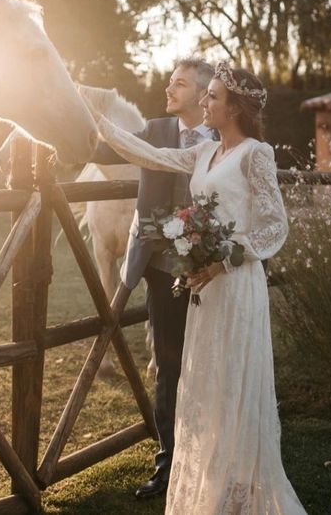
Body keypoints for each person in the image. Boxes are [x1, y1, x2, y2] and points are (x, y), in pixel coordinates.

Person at [90, 62, 307, 514]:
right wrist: (95, 121)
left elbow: (274, 228)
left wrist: (224, 258)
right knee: (203, 382)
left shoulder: (256, 154)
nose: (204, 103)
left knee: (234, 378)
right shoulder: (203, 154)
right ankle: (214, 483)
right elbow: (150, 156)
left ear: (234, 108)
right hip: (203, 291)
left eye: (212, 97)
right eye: (204, 94)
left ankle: (243, 487)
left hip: (236, 287)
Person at [91, 58, 216, 499]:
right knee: (168, 365)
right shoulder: (157, 130)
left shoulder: (226, 139)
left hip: (215, 273)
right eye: (169, 81)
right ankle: (167, 465)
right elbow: (109, 150)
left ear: (203, 95)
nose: (169, 88)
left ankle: (213, 459)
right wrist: (77, 125)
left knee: (212, 364)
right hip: (163, 272)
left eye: (179, 84)